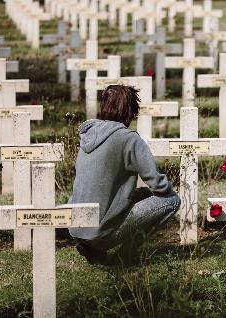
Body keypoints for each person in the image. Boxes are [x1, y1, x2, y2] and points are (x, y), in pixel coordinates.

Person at [69, 85, 180, 265]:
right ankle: (123, 257)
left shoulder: (88, 136)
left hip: (76, 227)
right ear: (130, 110)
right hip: (100, 231)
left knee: (142, 195)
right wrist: (168, 185)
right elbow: (158, 185)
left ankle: (93, 249)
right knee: (171, 200)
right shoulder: (128, 138)